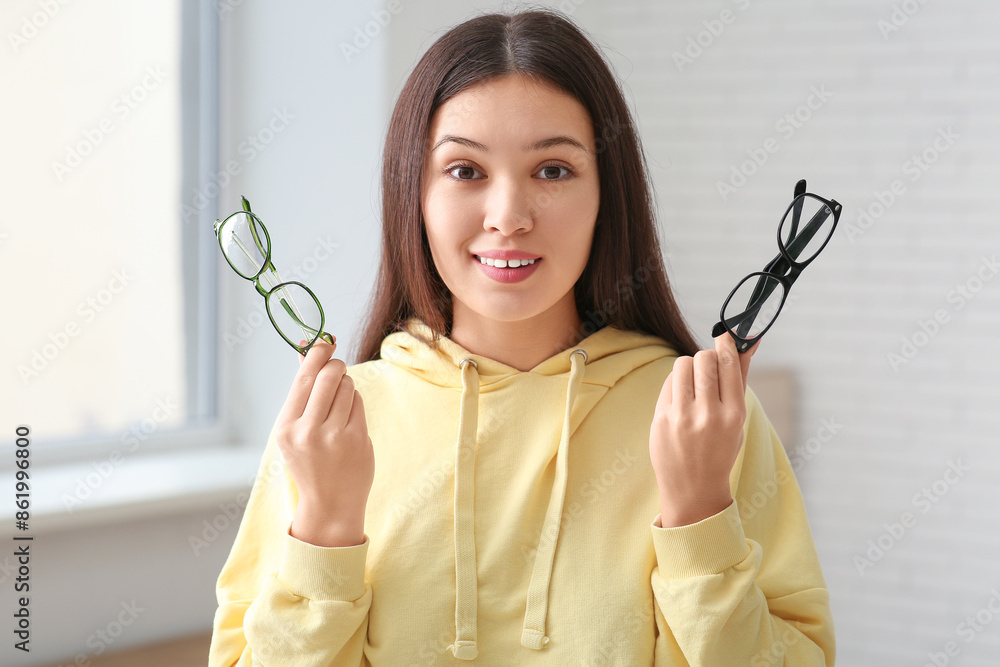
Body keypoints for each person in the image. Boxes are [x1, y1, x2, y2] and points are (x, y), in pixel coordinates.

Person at [208, 8, 835, 666]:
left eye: (554, 170)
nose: (508, 216)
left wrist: (700, 511)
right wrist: (326, 529)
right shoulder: (331, 427)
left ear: (606, 193)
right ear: (412, 194)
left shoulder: (702, 420)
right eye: (464, 171)